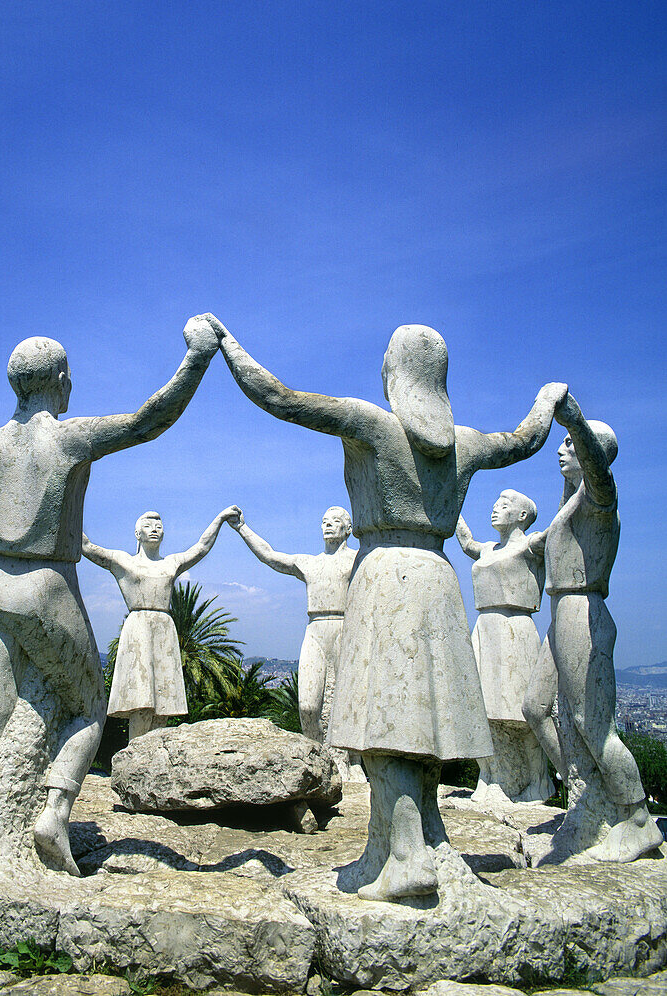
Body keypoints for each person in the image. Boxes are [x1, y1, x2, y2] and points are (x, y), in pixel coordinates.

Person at [200, 313, 566, 901]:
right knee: (421, 722)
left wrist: (226, 345)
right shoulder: (465, 442)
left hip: (385, 576)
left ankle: (403, 857)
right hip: (439, 580)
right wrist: (548, 401)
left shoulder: (371, 423)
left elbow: (279, 397)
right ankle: (413, 839)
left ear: (394, 372)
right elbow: (524, 439)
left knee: (389, 722)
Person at [0, 320, 219, 876]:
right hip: (49, 587)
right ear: (58, 379)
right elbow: (150, 419)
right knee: (87, 707)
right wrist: (197, 357)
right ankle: (54, 811)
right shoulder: (69, 437)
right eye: (68, 376)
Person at [522, 394, 663, 862]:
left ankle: (637, 818)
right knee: (535, 707)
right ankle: (588, 797)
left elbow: (598, 472)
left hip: (584, 610)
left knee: (592, 723)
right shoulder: (572, 504)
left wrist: (573, 420)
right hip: (561, 611)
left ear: (590, 454)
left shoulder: (601, 497)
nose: (561, 449)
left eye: (570, 444)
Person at [82, 505, 240, 741]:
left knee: (163, 705)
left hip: (164, 629)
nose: (154, 529)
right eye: (147, 526)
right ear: (138, 534)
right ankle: (135, 757)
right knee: (141, 704)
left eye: (158, 526)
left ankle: (155, 760)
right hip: (138, 628)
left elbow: (201, 547)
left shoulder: (171, 563)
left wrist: (219, 519)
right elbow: (86, 546)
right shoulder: (123, 561)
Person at [228, 507, 359, 774]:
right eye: (324, 521)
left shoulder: (358, 560)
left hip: (346, 628)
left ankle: (349, 762)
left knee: (345, 702)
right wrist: (242, 528)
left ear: (349, 528)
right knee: (308, 706)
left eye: (335, 521)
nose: (328, 525)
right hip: (315, 629)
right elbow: (270, 556)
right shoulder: (309, 563)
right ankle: (319, 761)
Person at [456, 490, 551, 802]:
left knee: (523, 712)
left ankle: (538, 781)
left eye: (505, 504)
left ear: (522, 515)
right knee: (483, 711)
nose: (495, 508)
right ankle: (491, 775)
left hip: (516, 630)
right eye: (495, 503)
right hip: (485, 629)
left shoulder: (531, 544)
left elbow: (562, 527)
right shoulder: (487, 548)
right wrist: (442, 493)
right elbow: (466, 541)